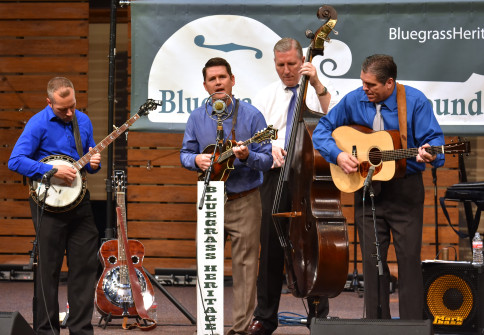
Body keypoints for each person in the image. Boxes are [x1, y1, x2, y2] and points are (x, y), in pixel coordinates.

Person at [312, 54, 445, 319]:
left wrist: (431, 153)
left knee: (408, 262)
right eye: (363, 82)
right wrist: (337, 155)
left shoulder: (414, 101)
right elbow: (322, 130)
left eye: (371, 84)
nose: (365, 89)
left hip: (405, 191)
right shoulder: (354, 100)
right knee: (372, 265)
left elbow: (436, 144)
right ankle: (375, 324)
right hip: (368, 190)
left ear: (389, 83)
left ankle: (411, 326)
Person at [248, 37, 338, 335]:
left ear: (303, 61)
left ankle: (318, 316)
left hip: (310, 176)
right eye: (281, 65)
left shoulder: (317, 91)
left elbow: (336, 119)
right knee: (270, 247)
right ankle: (265, 316)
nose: (287, 70)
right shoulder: (265, 95)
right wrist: (270, 147)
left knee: (314, 245)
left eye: (292, 64)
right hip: (275, 177)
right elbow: (256, 135)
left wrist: (317, 85)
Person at [180, 57, 273, 334]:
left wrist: (247, 156)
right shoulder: (196, 117)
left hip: (245, 198)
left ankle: (241, 328)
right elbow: (185, 153)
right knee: (209, 265)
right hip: (211, 199)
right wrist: (196, 160)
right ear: (205, 85)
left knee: (246, 267)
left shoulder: (253, 116)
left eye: (223, 77)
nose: (218, 82)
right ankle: (210, 327)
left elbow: (267, 160)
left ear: (233, 80)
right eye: (212, 79)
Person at [8, 77, 101, 335]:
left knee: (84, 270)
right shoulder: (37, 123)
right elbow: (15, 161)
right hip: (48, 205)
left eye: (73, 105)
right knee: (48, 271)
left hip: (80, 202)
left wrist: (95, 163)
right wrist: (50, 170)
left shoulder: (82, 121)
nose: (70, 112)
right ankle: (46, 331)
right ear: (49, 103)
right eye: (63, 109)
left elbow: (91, 160)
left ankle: (81, 330)